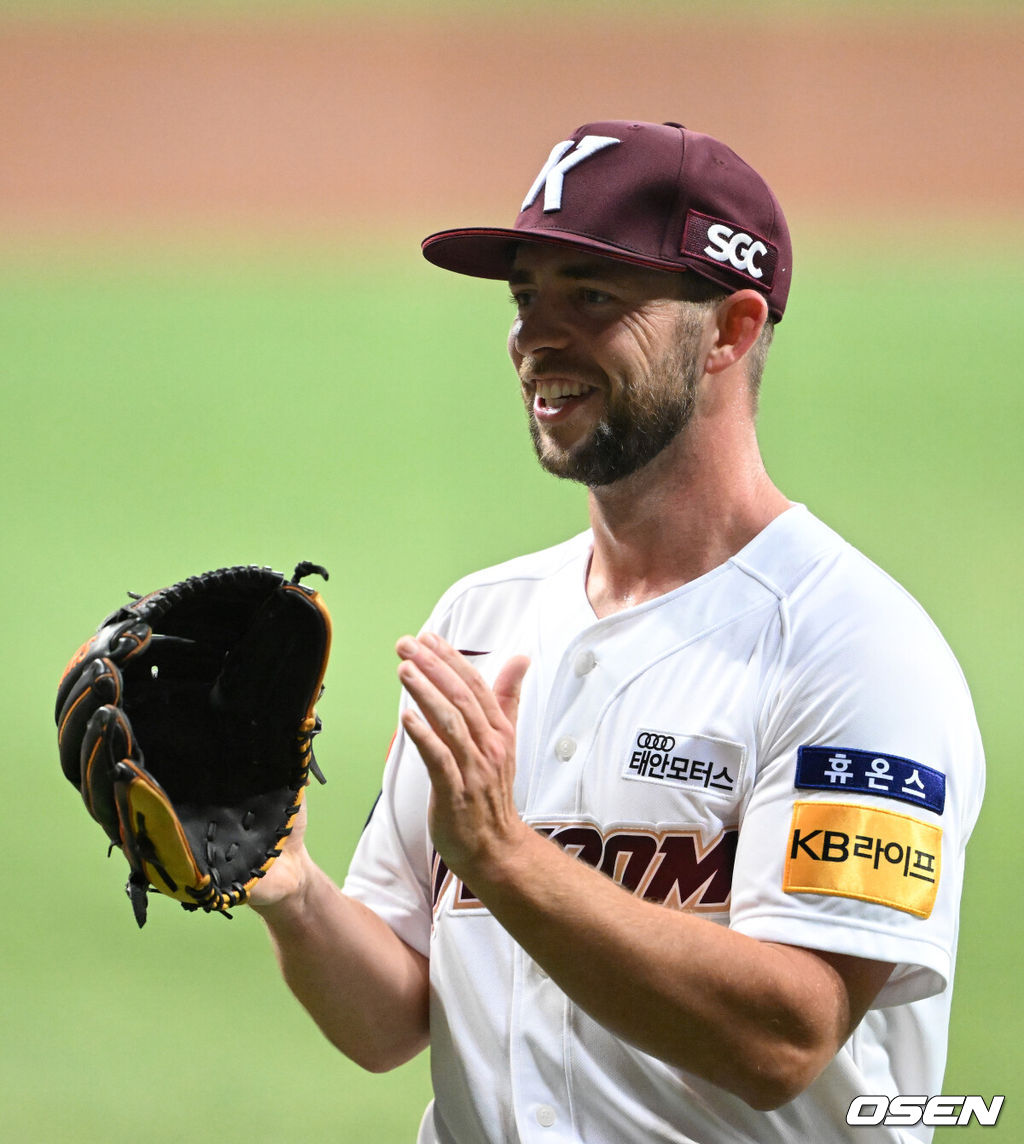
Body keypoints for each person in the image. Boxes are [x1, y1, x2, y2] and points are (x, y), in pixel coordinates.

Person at [250, 120, 985, 1143]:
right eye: (525, 296)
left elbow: (782, 1037)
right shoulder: (481, 621)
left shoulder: (854, 651)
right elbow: (389, 1017)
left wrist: (506, 856)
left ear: (729, 330)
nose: (536, 337)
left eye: (591, 297)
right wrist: (285, 883)